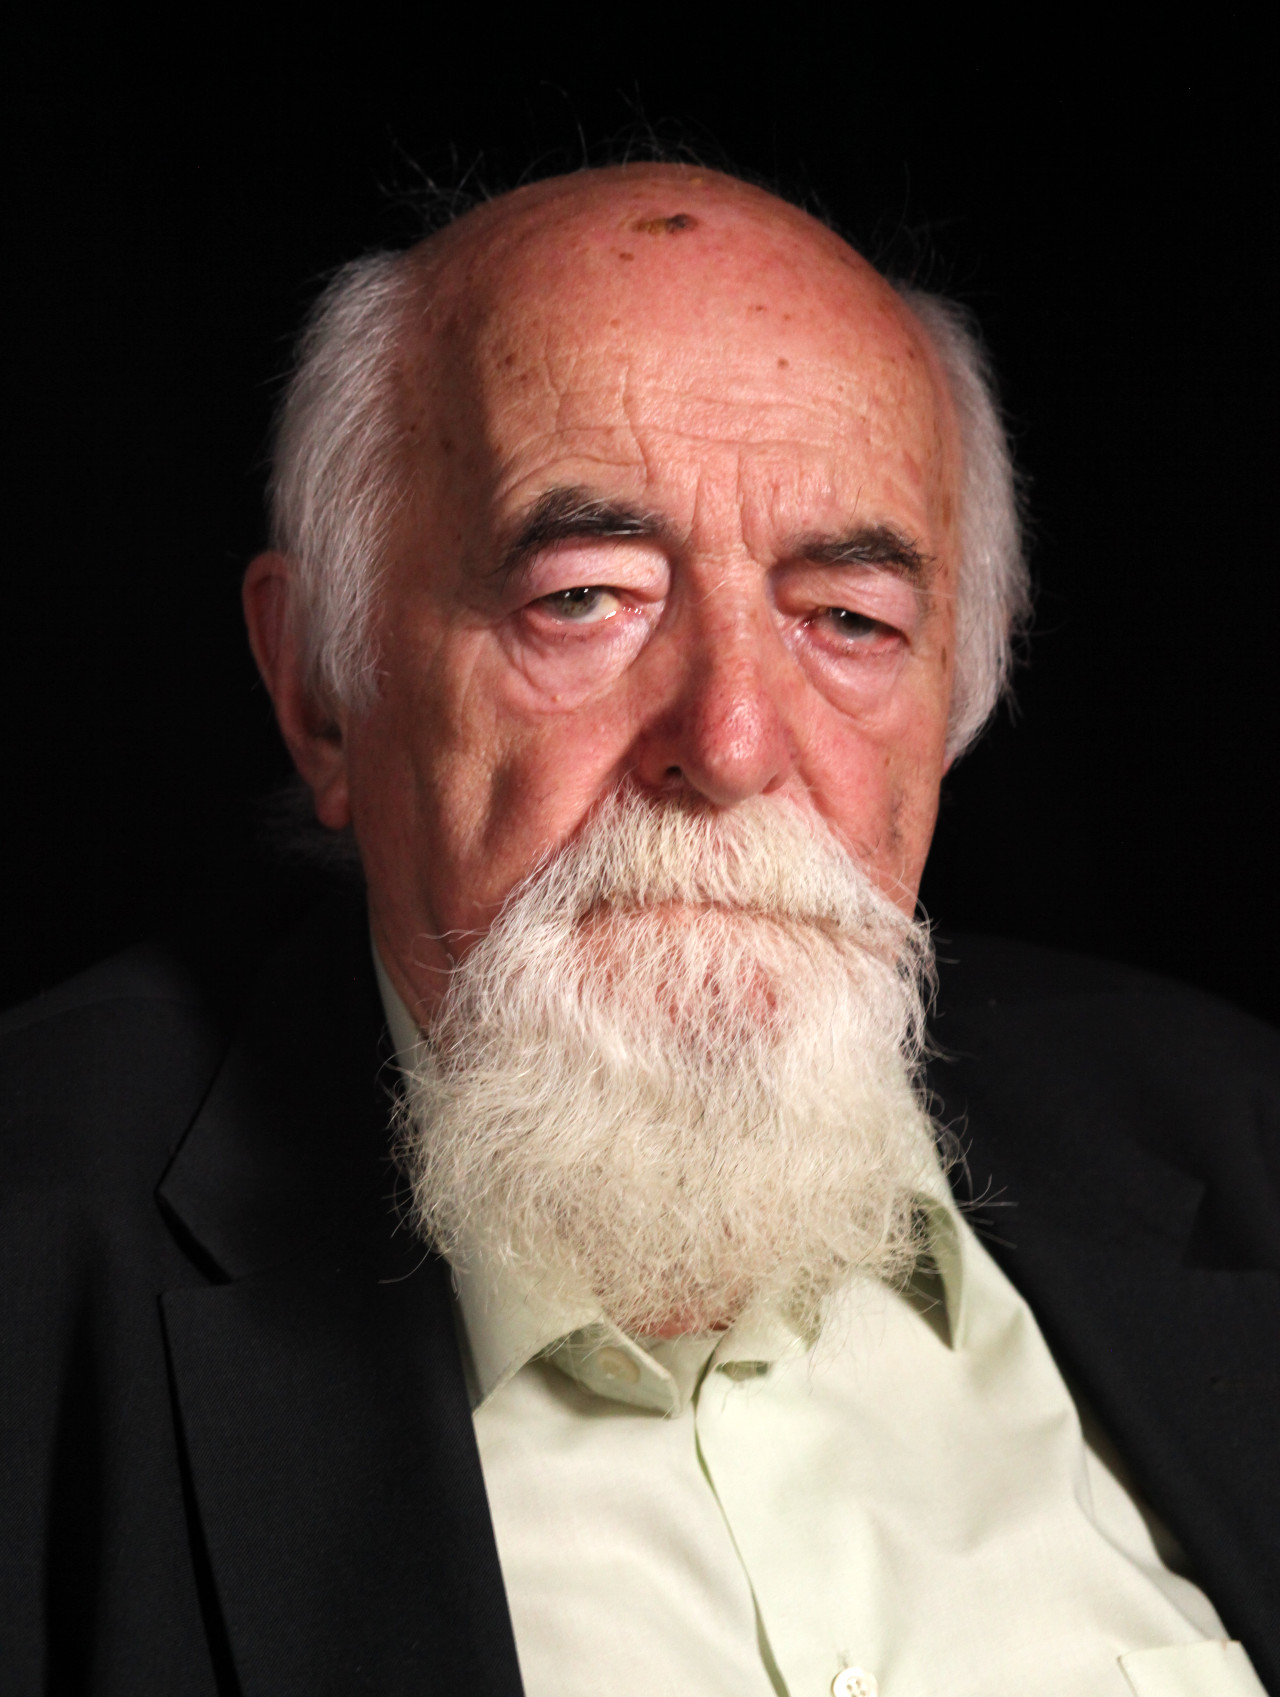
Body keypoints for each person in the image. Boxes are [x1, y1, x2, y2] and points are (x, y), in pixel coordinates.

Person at [2, 163, 1275, 1696]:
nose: (730, 742)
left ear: (955, 699)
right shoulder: (33, 1271)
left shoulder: (1244, 1135)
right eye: (586, 598)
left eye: (849, 619)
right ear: (323, 691)